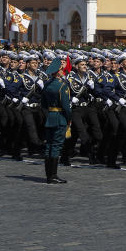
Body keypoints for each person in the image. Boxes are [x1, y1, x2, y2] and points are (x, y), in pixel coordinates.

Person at [42, 56, 73, 184]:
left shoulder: (47, 84)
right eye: (62, 69)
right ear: (58, 71)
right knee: (56, 146)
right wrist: (69, 119)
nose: (63, 71)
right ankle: (53, 176)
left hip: (50, 117)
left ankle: (49, 175)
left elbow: (43, 104)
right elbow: (66, 107)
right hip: (60, 118)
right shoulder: (62, 86)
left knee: (49, 146)